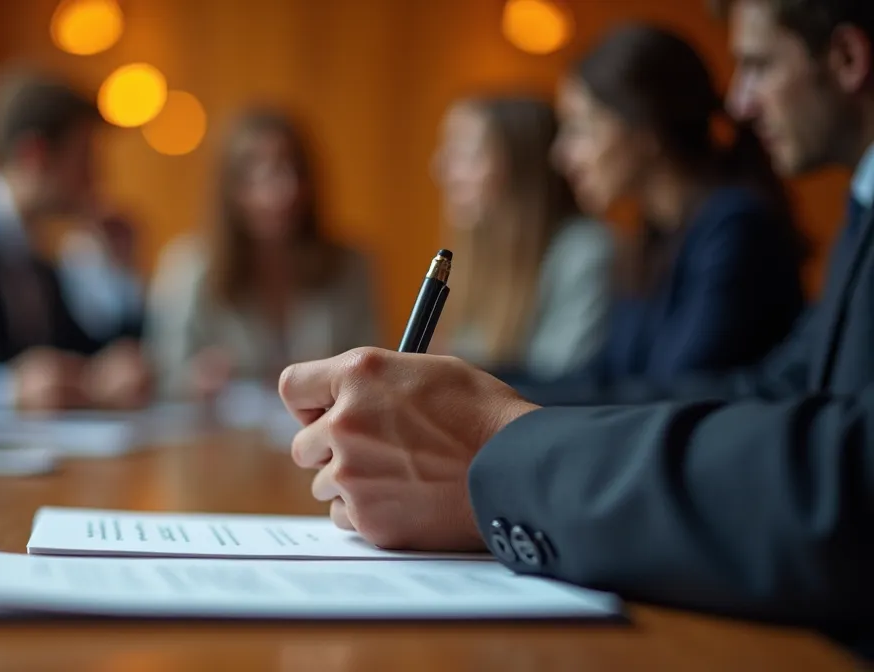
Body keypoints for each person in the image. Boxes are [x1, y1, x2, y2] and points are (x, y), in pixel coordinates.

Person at [279, 0, 874, 658]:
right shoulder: (656, 238)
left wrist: (492, 431)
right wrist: (468, 398)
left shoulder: (732, 228)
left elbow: (707, 398)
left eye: (758, 64)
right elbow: (714, 388)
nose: (738, 103)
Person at [549, 23, 805, 387]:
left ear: (646, 128)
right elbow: (599, 379)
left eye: (580, 128)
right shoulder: (652, 237)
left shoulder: (736, 227)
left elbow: (675, 392)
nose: (562, 156)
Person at [0, 70, 151, 412]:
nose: (96, 179)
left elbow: (89, 355)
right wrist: (8, 391)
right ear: (34, 154)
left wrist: (121, 271)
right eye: (84, 160)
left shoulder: (38, 259)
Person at [146, 109, 380, 399]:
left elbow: (372, 371)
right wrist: (196, 379)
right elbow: (162, 374)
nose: (285, 190)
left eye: (294, 171)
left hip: (327, 434)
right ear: (231, 188)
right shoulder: (190, 266)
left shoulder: (350, 265)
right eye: (263, 174)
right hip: (218, 438)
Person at [434, 96, 612, 380]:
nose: (441, 169)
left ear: (521, 168)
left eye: (466, 154)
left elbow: (559, 384)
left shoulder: (585, 251)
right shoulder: (476, 255)